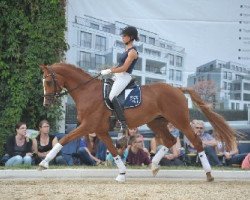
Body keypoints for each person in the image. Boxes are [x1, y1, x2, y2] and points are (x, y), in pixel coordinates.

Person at [100, 26, 139, 131]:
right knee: (104, 86)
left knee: (112, 96)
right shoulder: (126, 49)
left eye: (124, 35)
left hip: (124, 76)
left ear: (130, 37)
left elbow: (124, 68)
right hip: (118, 76)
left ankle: (122, 122)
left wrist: (109, 71)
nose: (122, 37)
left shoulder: (132, 52)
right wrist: (110, 70)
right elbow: (119, 65)